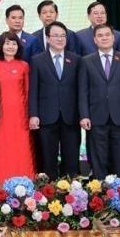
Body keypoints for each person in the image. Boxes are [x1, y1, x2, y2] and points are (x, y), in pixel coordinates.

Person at [78, 25, 120, 178]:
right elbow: (83, 91)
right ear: (95, 40)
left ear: (113, 38)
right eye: (100, 35)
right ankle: (100, 188)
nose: (104, 38)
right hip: (96, 116)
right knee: (98, 157)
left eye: (107, 35)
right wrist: (84, 115)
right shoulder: (86, 61)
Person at [28, 20, 81, 177]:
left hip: (71, 116)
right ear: (48, 38)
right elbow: (33, 90)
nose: (60, 39)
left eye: (63, 36)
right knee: (47, 159)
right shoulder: (37, 60)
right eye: (56, 36)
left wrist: (82, 114)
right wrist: (33, 114)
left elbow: (81, 89)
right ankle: (48, 189)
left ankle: (71, 189)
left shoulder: (76, 59)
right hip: (46, 117)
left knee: (71, 158)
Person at [0, 32, 34, 179]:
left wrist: (29, 114)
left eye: (14, 43)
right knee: (3, 147)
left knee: (21, 147)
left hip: (21, 115)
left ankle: (25, 182)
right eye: (7, 43)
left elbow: (28, 91)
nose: (10, 46)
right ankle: (1, 183)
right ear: (1, 46)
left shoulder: (24, 66)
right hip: (1, 114)